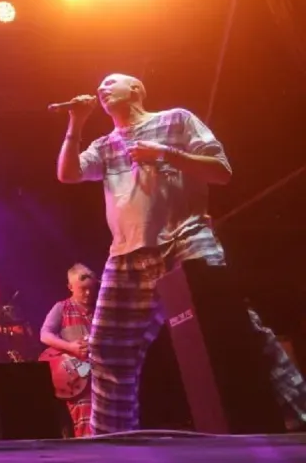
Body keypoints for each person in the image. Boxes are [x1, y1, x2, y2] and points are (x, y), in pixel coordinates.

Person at [56, 73, 306, 435]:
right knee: (109, 353)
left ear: (137, 89)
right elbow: (68, 174)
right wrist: (76, 122)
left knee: (239, 330)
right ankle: (112, 442)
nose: (102, 88)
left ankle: (301, 414)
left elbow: (221, 172)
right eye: (100, 85)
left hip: (185, 238)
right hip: (127, 255)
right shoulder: (105, 144)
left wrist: (164, 153)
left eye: (112, 82)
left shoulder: (175, 120)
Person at [39, 263, 98, 438]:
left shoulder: (101, 309)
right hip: (77, 373)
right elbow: (45, 335)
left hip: (101, 372)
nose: (88, 294)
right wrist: (71, 347)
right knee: (86, 421)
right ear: (70, 287)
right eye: (82, 289)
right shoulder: (62, 308)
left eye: (91, 289)